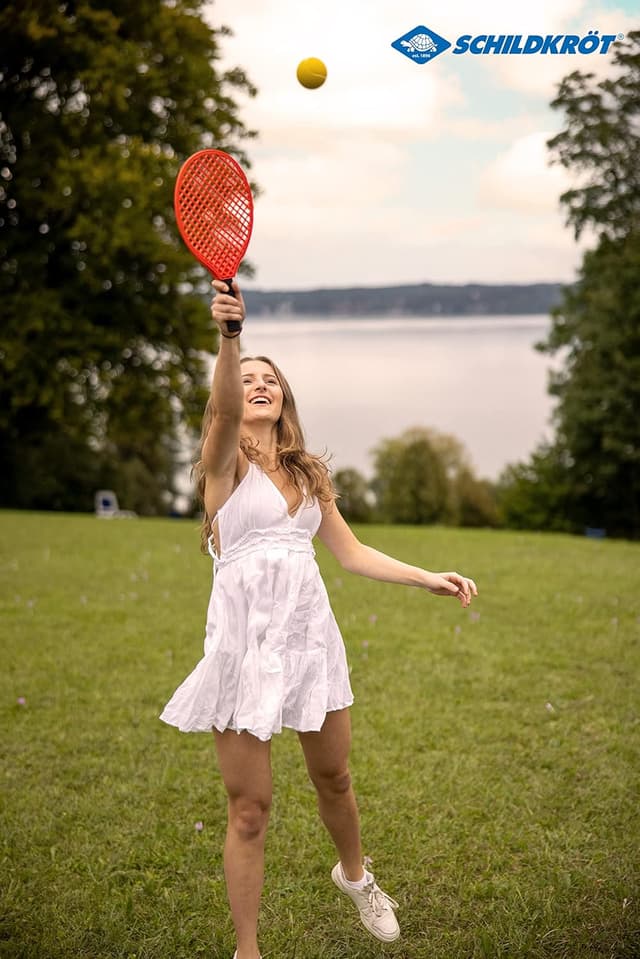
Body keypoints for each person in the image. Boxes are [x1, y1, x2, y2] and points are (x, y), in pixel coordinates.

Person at [161, 280, 478, 959]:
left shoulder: (308, 474)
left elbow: (352, 551)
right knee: (250, 810)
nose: (257, 383)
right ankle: (247, 950)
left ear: (285, 399)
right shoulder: (220, 469)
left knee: (334, 778)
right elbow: (219, 413)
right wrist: (229, 336)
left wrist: (426, 575)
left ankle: (356, 875)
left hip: (310, 643)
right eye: (246, 379)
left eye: (269, 379)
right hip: (242, 650)